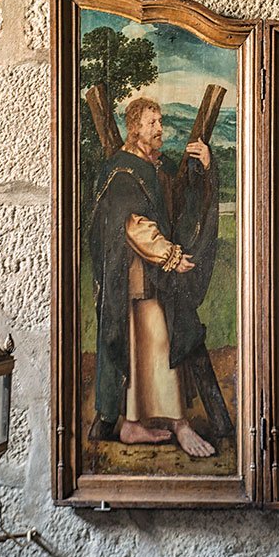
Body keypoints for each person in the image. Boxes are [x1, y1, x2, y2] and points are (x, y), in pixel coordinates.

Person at [89, 96, 231, 458]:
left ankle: (134, 423)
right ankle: (176, 424)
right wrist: (170, 255)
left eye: (161, 122)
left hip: (152, 276)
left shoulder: (152, 166)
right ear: (134, 128)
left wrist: (206, 167)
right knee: (155, 344)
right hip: (137, 277)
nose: (160, 129)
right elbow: (134, 225)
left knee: (148, 347)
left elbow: (181, 204)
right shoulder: (123, 171)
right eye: (152, 123)